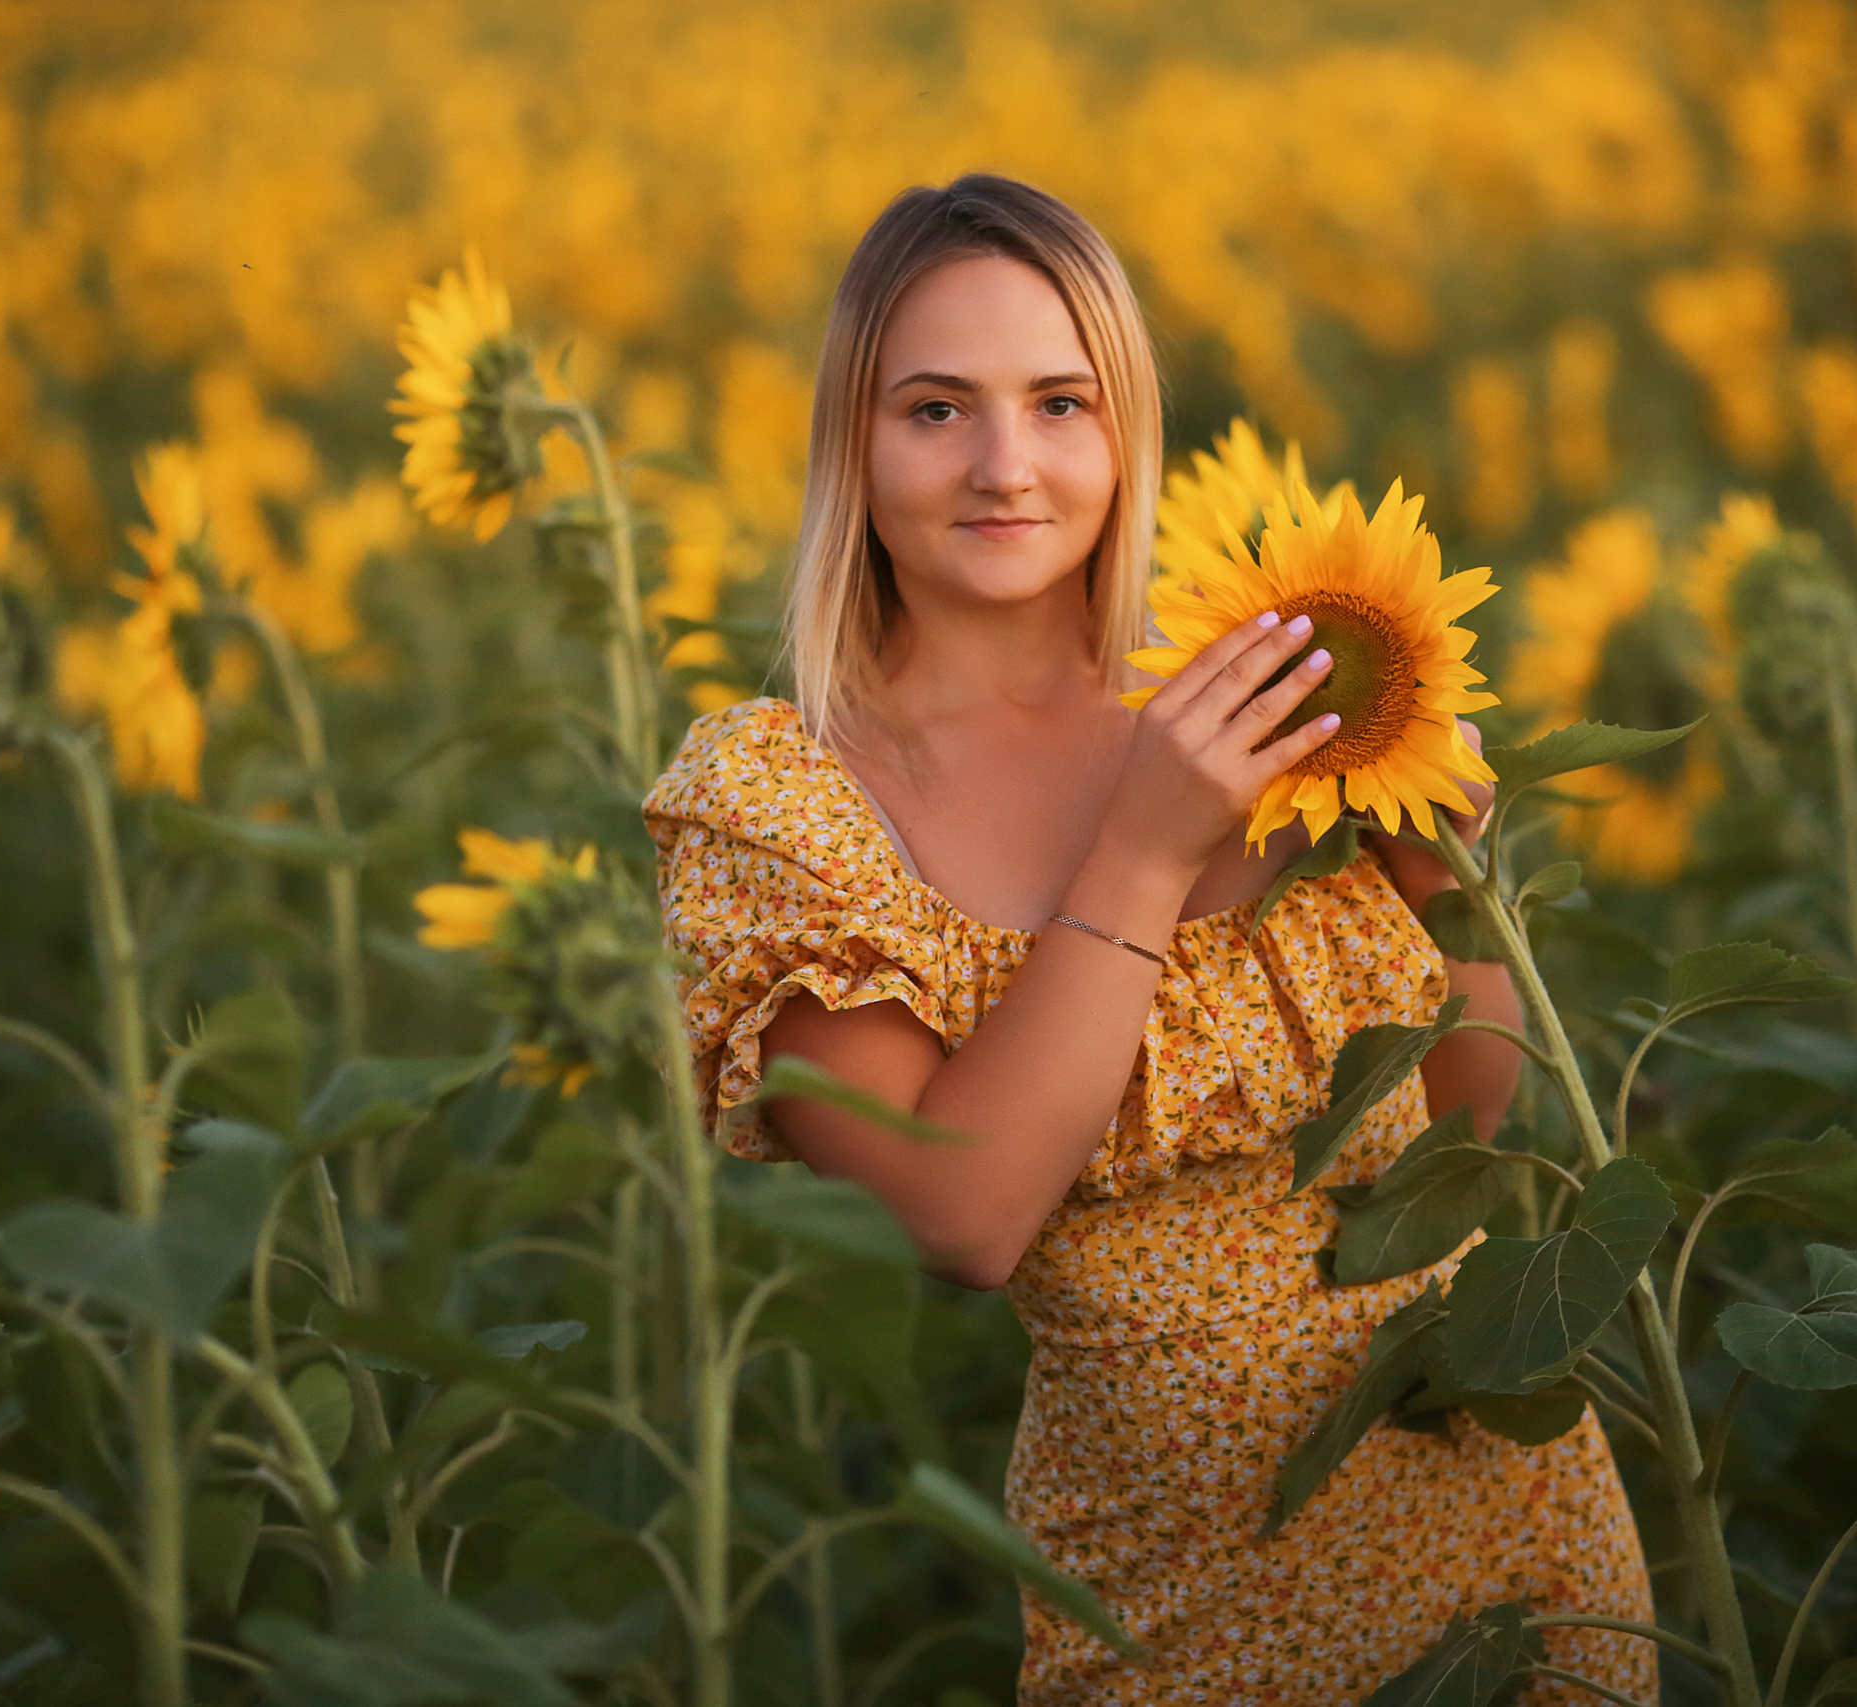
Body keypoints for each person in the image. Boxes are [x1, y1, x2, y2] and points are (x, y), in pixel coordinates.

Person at [644, 174, 1655, 1705]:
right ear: (850, 439)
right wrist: (1140, 847)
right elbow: (960, 1219)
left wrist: (1448, 862)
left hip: (1515, 1528)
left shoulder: (1256, 683)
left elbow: (1467, 1122)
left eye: (1061, 402)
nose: (1006, 466)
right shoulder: (781, 797)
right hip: (1193, 1596)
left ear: (1128, 432)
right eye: (936, 410)